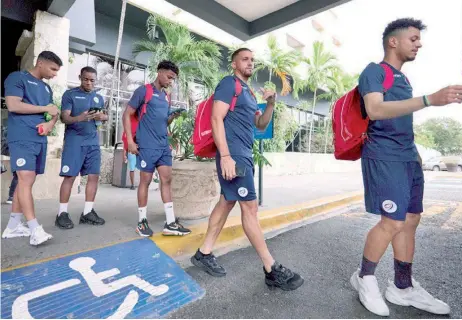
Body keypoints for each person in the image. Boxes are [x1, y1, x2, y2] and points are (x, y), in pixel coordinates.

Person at [351, 18, 462, 316]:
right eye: (413, 39)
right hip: (385, 156)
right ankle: (364, 278)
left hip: (407, 158)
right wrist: (430, 100)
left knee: (411, 219)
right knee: (392, 221)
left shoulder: (402, 79)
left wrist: (414, 155)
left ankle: (402, 287)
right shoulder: (375, 72)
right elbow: (375, 109)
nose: (419, 44)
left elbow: (400, 118)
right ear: (394, 42)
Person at [190, 48, 304, 291]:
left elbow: (260, 123)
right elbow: (216, 118)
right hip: (234, 156)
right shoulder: (229, 84)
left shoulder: (249, 93)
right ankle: (271, 268)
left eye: (252, 59)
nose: (250, 63)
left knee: (226, 202)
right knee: (250, 207)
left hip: (243, 154)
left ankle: (203, 252)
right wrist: (226, 156)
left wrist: (271, 103)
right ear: (234, 64)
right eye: (245, 59)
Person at [123, 60, 191, 237]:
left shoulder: (165, 97)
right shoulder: (143, 91)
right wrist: (130, 141)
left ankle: (170, 223)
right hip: (147, 145)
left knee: (166, 180)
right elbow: (127, 114)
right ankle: (142, 222)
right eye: (169, 77)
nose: (171, 81)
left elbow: (163, 121)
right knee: (144, 181)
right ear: (160, 72)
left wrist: (172, 117)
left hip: (163, 145)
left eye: (173, 79)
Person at [2, 51, 62, 245]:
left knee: (26, 181)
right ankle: (35, 229)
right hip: (21, 137)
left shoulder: (46, 88)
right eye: (53, 69)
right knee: (25, 179)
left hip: (38, 140)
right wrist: (45, 109)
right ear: (40, 63)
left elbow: (53, 112)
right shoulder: (17, 78)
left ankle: (13, 225)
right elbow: (13, 105)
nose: (55, 74)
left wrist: (50, 124)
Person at [55, 66, 107, 229]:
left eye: (92, 80)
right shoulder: (70, 95)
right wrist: (80, 117)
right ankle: (61, 213)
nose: (89, 83)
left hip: (92, 142)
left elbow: (105, 116)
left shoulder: (98, 97)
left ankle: (87, 212)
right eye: (86, 79)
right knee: (69, 177)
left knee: (93, 176)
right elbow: (65, 118)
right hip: (74, 141)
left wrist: (101, 116)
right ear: (80, 77)